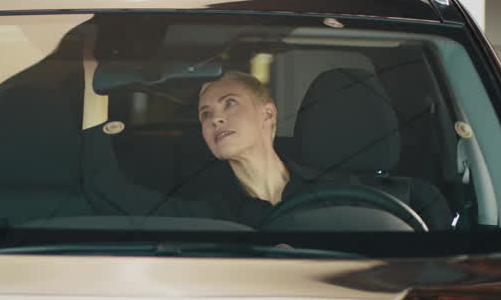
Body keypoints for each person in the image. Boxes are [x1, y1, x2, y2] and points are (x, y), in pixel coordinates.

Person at [81, 70, 334, 227]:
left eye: (230, 103)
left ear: (267, 114)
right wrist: (94, 75)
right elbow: (106, 188)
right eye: (205, 114)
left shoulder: (337, 193)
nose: (215, 119)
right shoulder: (205, 214)